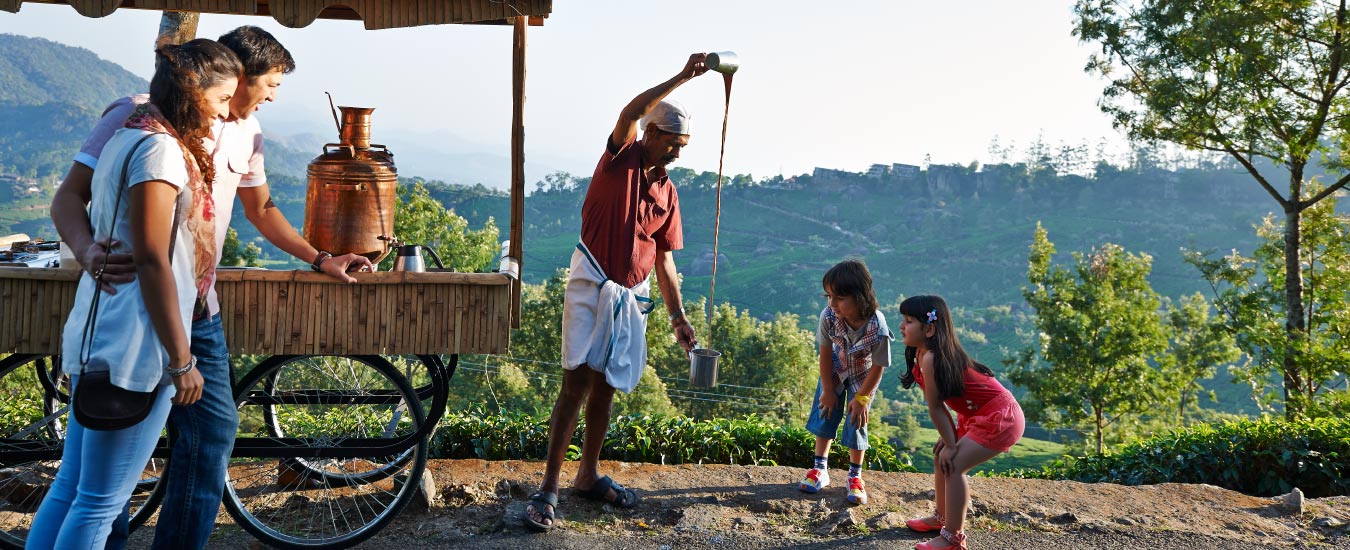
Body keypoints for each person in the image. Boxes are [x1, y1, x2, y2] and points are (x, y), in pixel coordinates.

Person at [47, 26, 372, 550]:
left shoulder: (245, 133)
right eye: (270, 84)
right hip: (140, 314)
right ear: (231, 77)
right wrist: (87, 252)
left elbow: (261, 208)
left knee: (208, 435)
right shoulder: (143, 123)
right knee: (103, 487)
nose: (272, 97)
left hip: (198, 308)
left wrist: (320, 258)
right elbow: (78, 203)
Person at [27, 39, 242, 549]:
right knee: (100, 502)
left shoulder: (128, 133)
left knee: (72, 488)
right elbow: (152, 258)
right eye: (221, 99)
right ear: (193, 93)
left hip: (102, 328)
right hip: (136, 342)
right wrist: (182, 361)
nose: (225, 112)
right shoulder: (160, 150)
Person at [521, 53, 708, 533]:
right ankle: (549, 486)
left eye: (684, 146)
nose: (678, 153)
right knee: (575, 385)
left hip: (631, 296)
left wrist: (678, 316)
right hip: (592, 282)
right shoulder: (619, 159)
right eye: (674, 142)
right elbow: (630, 112)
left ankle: (587, 475)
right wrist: (682, 77)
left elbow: (664, 259)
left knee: (605, 386)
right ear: (651, 133)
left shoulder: (668, 193)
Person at [899, 295, 1025, 550]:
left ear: (929, 329)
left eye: (909, 321)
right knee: (941, 457)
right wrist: (947, 439)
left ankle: (953, 538)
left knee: (954, 464)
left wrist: (951, 444)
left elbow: (936, 407)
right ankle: (942, 518)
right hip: (977, 414)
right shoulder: (922, 354)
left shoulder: (933, 358)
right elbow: (941, 405)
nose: (902, 326)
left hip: (1000, 417)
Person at [797, 259, 891, 506]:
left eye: (839, 298)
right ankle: (820, 469)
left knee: (856, 420)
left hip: (863, 376)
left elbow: (879, 365)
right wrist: (828, 389)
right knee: (825, 411)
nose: (832, 303)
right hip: (835, 370)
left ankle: (855, 476)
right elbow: (825, 353)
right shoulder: (828, 316)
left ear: (860, 297)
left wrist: (862, 399)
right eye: (829, 296)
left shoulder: (877, 325)